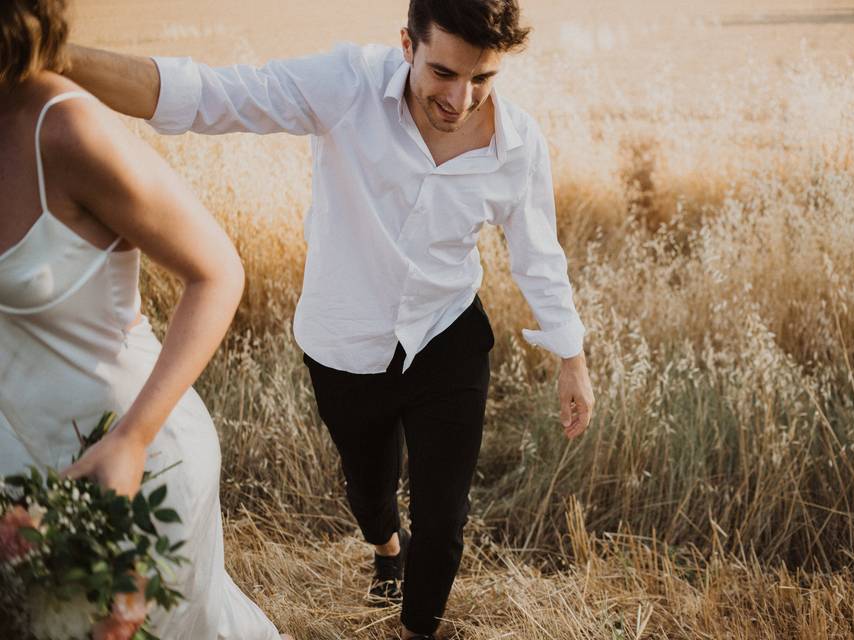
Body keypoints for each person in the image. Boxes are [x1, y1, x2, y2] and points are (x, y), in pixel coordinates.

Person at [66, 0, 596, 638]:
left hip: (447, 334)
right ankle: (384, 549)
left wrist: (572, 357)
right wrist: (52, 56)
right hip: (343, 343)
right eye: (444, 74)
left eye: (482, 78)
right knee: (371, 494)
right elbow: (213, 95)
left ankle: (416, 628)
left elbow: (539, 253)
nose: (461, 99)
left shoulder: (517, 144)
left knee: (444, 517)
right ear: (407, 44)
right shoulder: (347, 86)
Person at [0, 1, 293, 638]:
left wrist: (129, 442)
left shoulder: (64, 127)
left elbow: (218, 272)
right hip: (20, 481)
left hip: (132, 468)